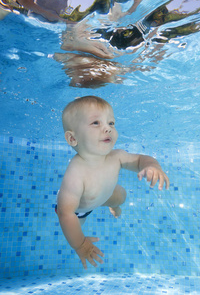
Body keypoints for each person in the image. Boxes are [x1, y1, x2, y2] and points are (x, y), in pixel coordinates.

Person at [55, 95, 170, 270]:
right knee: (71, 228)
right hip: (80, 208)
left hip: (103, 195)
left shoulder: (116, 156)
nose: (107, 129)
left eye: (111, 123)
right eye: (96, 123)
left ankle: (113, 207)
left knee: (122, 195)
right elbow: (66, 213)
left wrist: (152, 166)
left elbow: (139, 160)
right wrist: (80, 245)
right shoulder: (76, 173)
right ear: (72, 139)